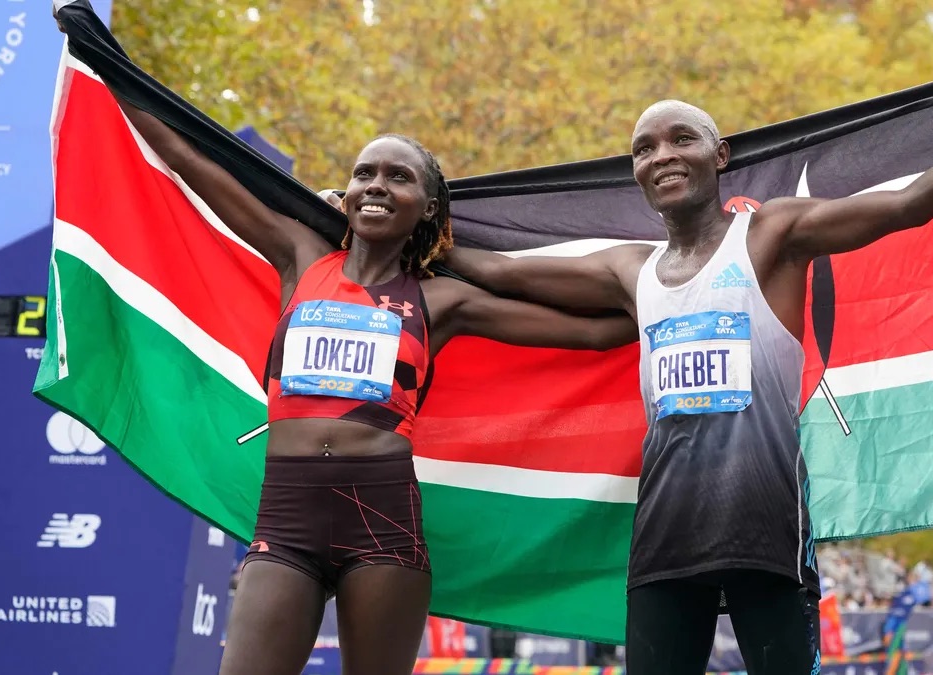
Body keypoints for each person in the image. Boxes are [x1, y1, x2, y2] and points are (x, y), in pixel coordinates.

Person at [435, 46, 933, 674]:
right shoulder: (630, 270)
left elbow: (906, 206)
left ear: (719, 156)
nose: (662, 154)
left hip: (766, 536)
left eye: (681, 138)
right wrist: (415, 229)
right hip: (665, 543)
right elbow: (500, 272)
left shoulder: (772, 234)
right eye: (644, 147)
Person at [55, 20, 637, 675]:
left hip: (383, 524)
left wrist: (675, 302)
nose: (377, 184)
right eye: (365, 173)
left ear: (426, 206)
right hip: (286, 518)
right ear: (348, 191)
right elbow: (190, 158)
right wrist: (106, 62)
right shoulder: (300, 256)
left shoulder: (441, 300)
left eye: (399, 177)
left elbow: (591, 332)